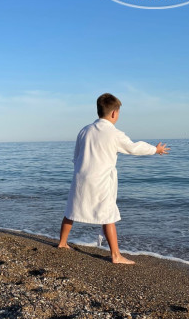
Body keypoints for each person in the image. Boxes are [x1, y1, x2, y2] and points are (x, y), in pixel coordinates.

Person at [58, 93, 170, 264]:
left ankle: (62, 243)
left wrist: (80, 171)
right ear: (113, 113)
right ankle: (116, 255)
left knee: (71, 210)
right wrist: (155, 150)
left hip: (81, 177)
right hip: (101, 180)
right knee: (107, 214)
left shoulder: (84, 130)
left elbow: (76, 156)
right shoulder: (114, 133)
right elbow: (133, 148)